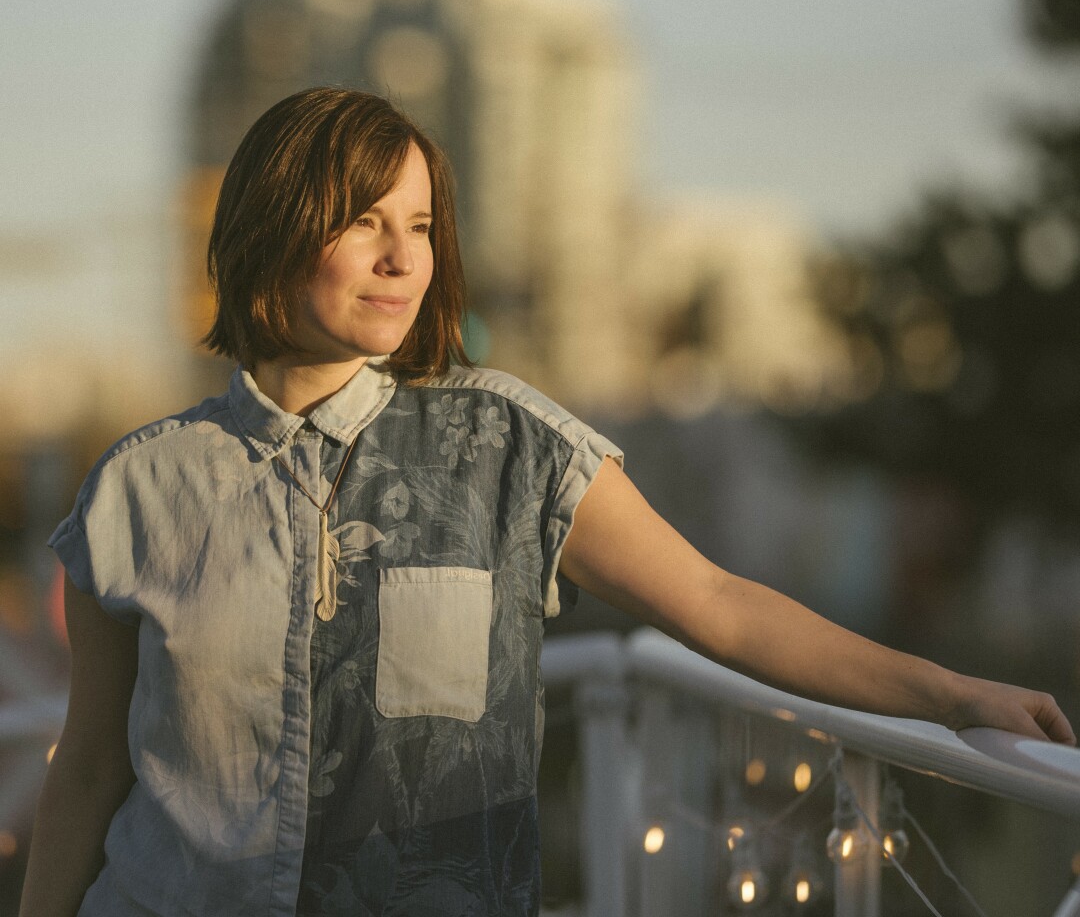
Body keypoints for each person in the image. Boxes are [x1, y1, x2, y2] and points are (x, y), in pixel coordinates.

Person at [19, 88, 1075, 917]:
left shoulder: (510, 445)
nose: (403, 257)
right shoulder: (139, 485)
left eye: (422, 223)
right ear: (274, 229)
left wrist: (949, 696)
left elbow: (718, 603)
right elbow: (93, 768)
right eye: (364, 221)